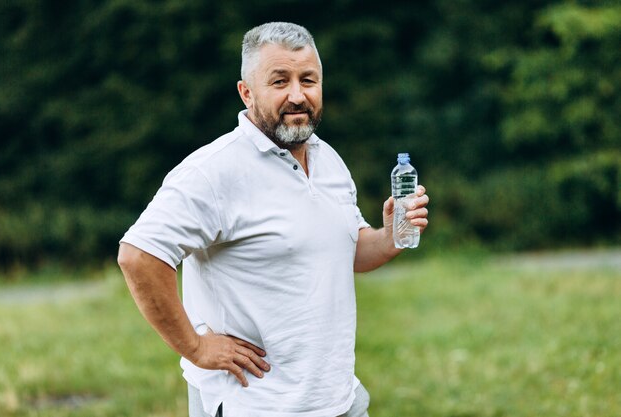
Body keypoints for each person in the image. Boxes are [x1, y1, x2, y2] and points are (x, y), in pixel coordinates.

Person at [117, 22, 429, 417]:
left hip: (339, 399)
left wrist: (390, 236)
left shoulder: (327, 158)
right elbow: (138, 255)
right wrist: (195, 348)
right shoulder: (215, 171)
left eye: (308, 80)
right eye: (280, 81)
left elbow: (345, 254)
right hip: (256, 404)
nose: (297, 95)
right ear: (247, 93)